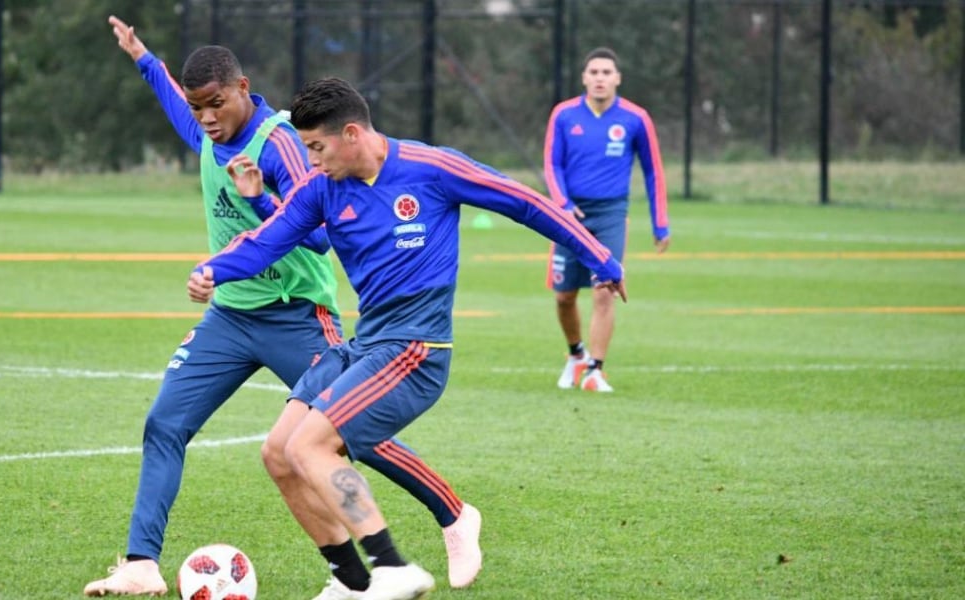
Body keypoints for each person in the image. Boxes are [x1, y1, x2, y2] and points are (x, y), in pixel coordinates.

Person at [84, 18, 482, 599]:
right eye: (198, 109)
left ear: (243, 89)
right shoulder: (205, 132)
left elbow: (319, 236)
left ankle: (450, 513)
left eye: (215, 104)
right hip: (230, 317)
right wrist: (145, 58)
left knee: (344, 433)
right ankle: (144, 564)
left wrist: (259, 198)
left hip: (298, 315)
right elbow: (177, 103)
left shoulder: (282, 145)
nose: (206, 118)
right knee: (165, 424)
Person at [187, 77, 626, 600]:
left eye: (316, 147)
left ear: (352, 134)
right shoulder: (320, 187)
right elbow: (267, 241)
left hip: (418, 348)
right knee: (280, 453)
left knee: (312, 445)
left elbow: (524, 202)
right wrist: (214, 269)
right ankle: (352, 581)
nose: (311, 160)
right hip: (367, 342)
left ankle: (391, 567)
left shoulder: (432, 168)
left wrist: (600, 257)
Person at [543, 46, 669, 393]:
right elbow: (552, 164)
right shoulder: (564, 115)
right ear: (584, 78)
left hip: (612, 213)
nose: (600, 78)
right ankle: (576, 354)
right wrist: (563, 204)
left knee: (604, 292)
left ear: (617, 78)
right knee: (564, 296)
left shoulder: (635, 118)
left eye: (606, 73)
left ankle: (596, 370)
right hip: (569, 217)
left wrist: (660, 223)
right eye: (594, 72)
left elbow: (653, 171)